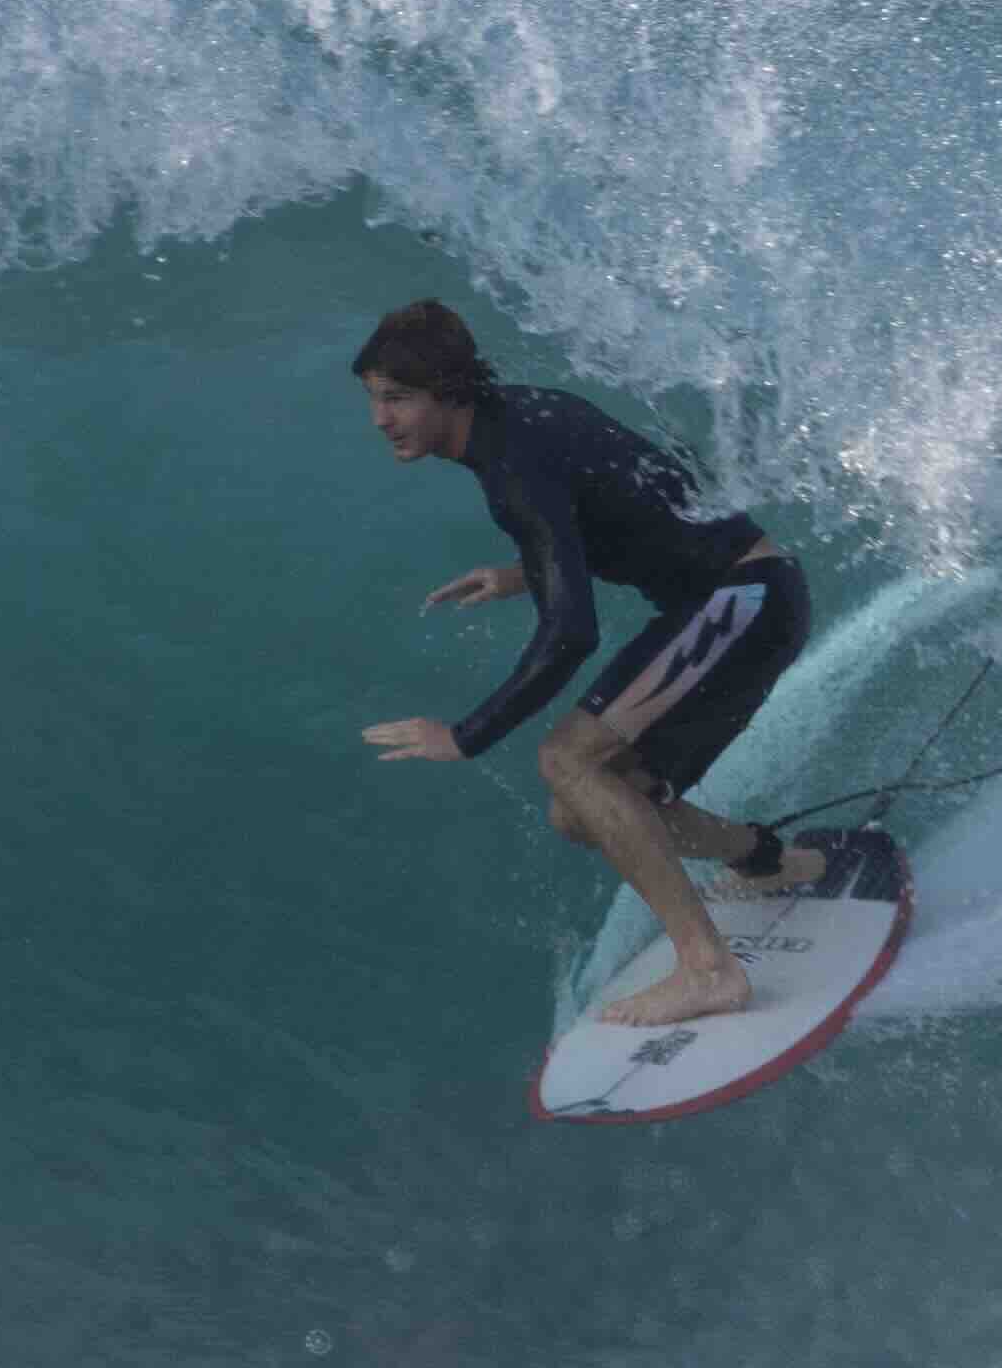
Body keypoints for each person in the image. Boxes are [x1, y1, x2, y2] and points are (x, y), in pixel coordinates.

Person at [348, 297, 827, 1029]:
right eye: (375, 399)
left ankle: (708, 969)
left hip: (740, 599)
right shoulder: (523, 418)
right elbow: (628, 502)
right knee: (584, 811)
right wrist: (526, 569)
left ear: (446, 392)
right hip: (735, 599)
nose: (380, 420)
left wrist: (466, 735)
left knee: (566, 759)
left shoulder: (511, 468)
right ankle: (762, 859)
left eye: (397, 398)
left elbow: (572, 632)